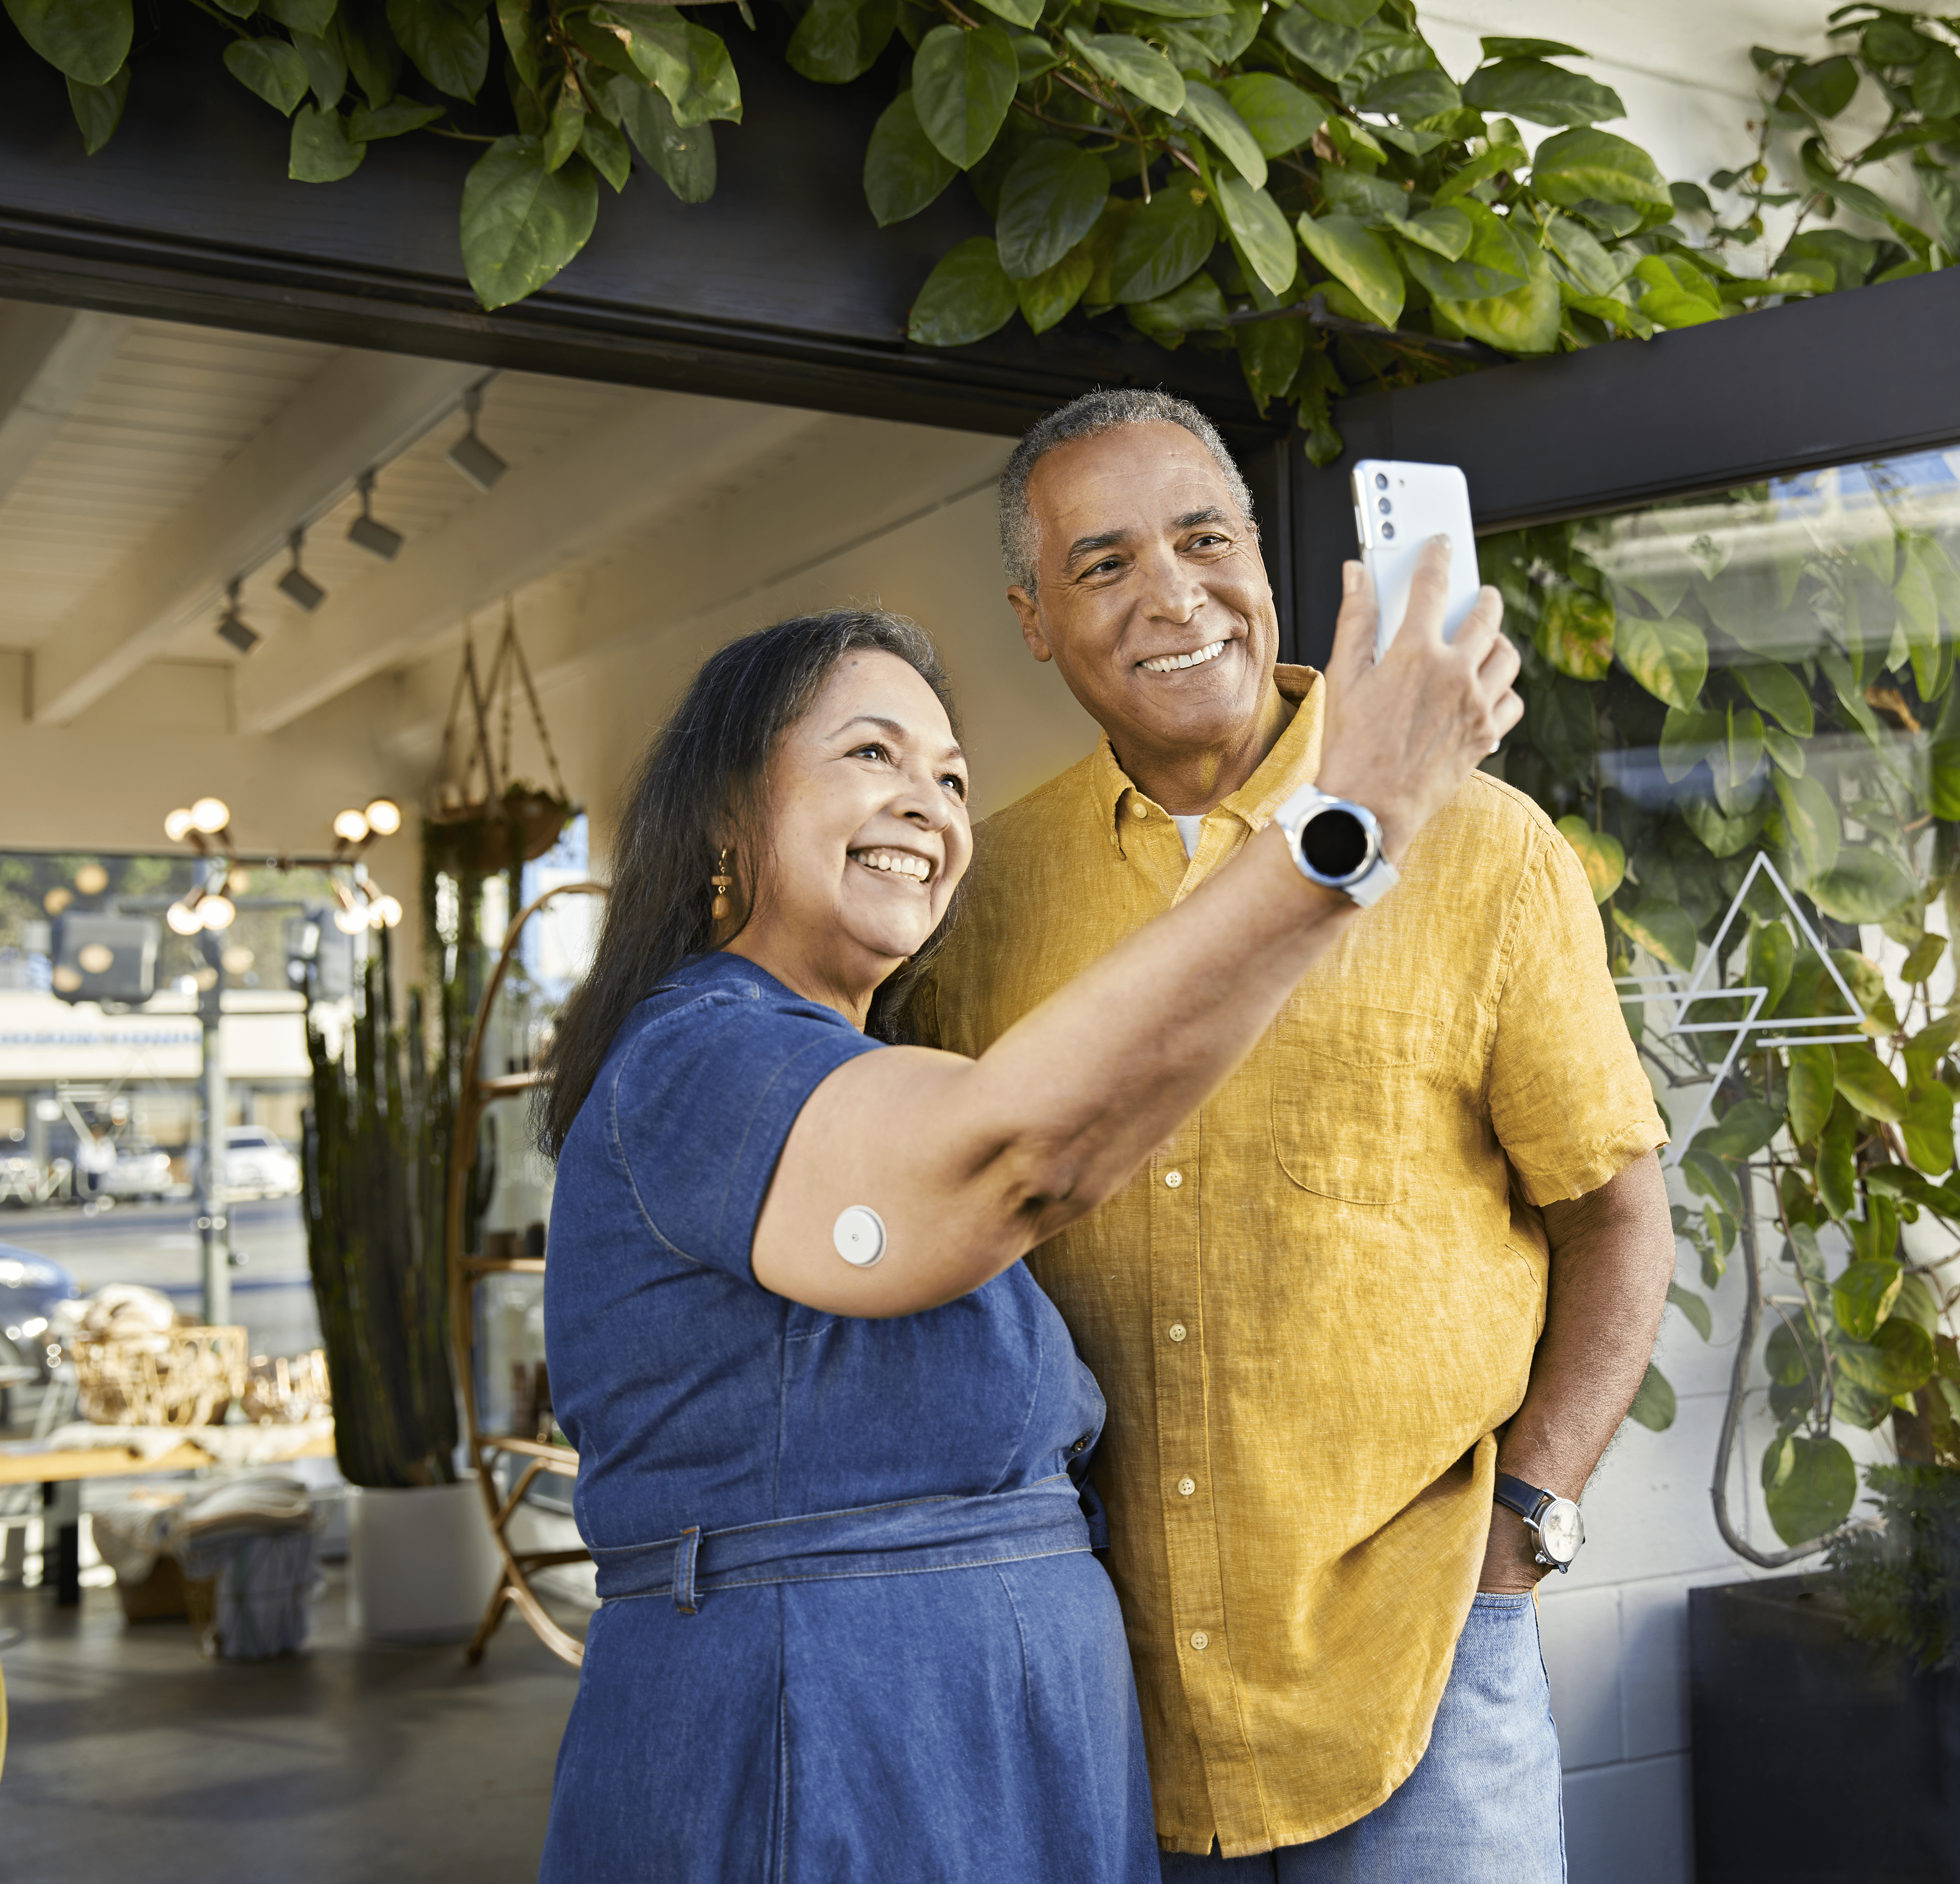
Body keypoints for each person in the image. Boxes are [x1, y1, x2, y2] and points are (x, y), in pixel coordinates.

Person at [533, 560, 1519, 1881]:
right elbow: (1015, 1153)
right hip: (822, 1761)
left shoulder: (859, 1067)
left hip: (1000, 1761)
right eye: (869, 752)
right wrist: (1357, 818)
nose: (928, 805)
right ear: (728, 812)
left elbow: (1085, 1120)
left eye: (949, 777)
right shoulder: (699, 1062)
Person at [905, 389, 1675, 1878]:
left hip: (1425, 1663)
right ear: (1035, 620)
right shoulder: (980, 893)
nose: (1173, 597)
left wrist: (1533, 1519)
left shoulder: (1484, 846)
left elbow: (1617, 1215)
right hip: (1099, 1688)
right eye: (1106, 564)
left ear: (1267, 562)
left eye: (1205, 541)